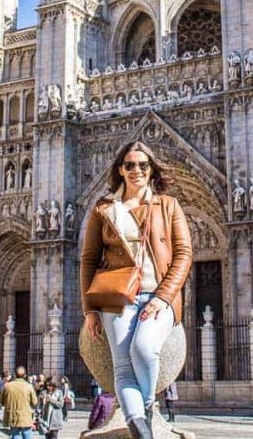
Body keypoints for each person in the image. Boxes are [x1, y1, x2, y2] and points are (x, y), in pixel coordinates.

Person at [80, 141, 193, 439]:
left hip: (157, 297)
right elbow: (89, 259)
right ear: (120, 170)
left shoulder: (168, 205)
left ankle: (142, 412)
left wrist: (163, 298)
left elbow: (183, 254)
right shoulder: (104, 208)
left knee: (143, 348)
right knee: (122, 366)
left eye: (143, 165)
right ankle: (141, 429)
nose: (136, 171)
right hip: (117, 297)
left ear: (151, 169)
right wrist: (89, 309)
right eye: (130, 165)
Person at [1, 366, 38, 439]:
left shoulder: (7, 386)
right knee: (27, 433)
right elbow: (34, 402)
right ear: (25, 375)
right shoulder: (29, 386)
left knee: (15, 435)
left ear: (15, 374)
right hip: (26, 416)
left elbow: (2, 401)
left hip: (12, 415)